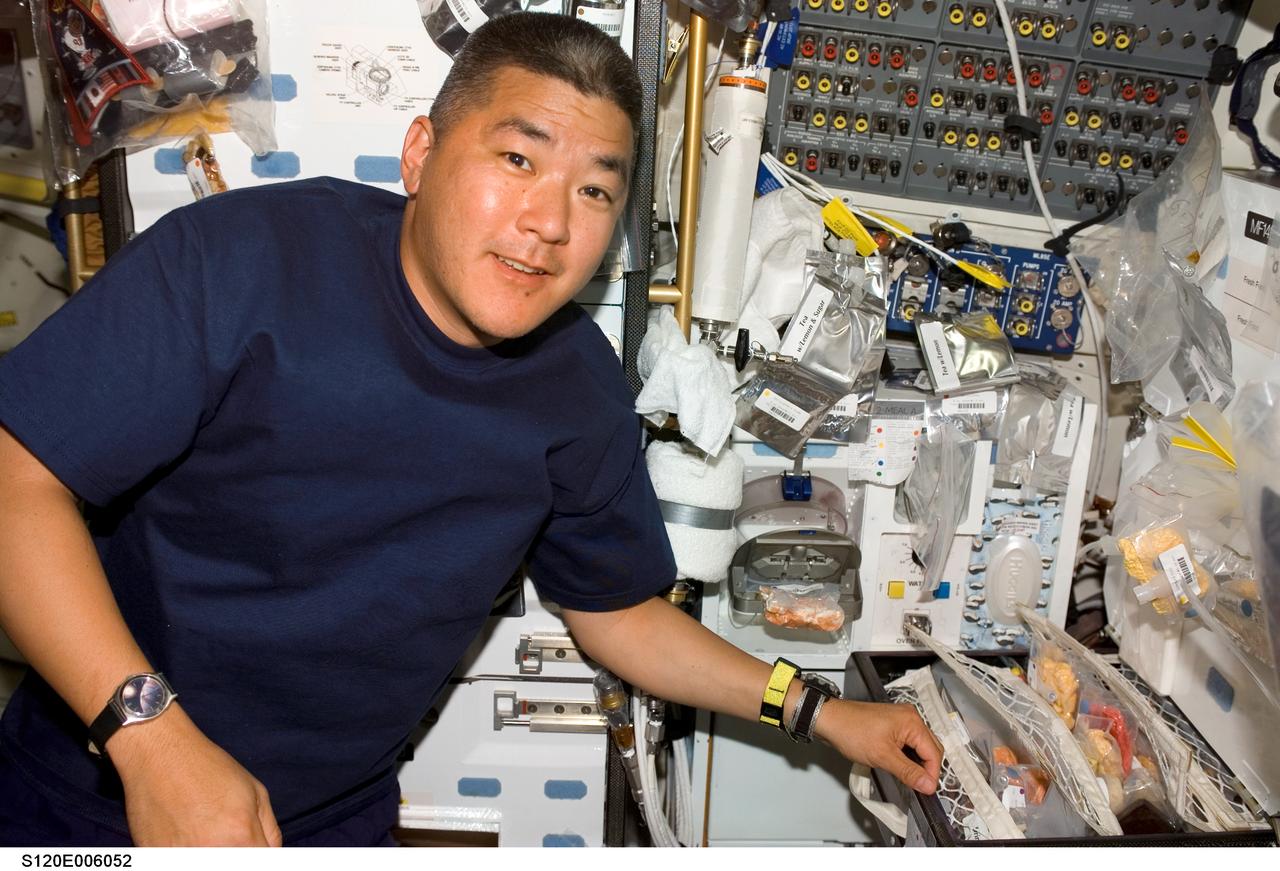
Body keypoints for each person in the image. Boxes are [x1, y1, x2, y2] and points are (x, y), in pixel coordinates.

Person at [0, 12, 941, 847]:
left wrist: (819, 711)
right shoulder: (241, 262)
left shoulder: (577, 388)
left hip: (333, 819)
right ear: (420, 154)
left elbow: (617, 612)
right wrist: (152, 741)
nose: (546, 223)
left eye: (594, 192)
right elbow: (16, 478)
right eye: (519, 159)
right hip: (95, 793)